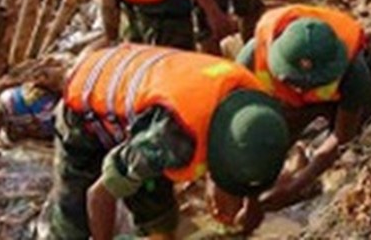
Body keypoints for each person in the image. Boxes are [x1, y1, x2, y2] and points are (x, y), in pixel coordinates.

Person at [49, 43, 290, 239]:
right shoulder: (172, 136)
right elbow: (99, 195)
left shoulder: (252, 109)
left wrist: (252, 203)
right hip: (85, 105)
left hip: (145, 100)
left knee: (158, 216)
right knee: (73, 223)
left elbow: (252, 155)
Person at [236, 5, 371, 210]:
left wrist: (296, 185)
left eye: (311, 83)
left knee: (363, 142)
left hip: (334, 100)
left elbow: (343, 136)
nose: (302, 87)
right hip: (285, 102)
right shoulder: (252, 56)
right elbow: (236, 126)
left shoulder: (354, 70)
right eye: (294, 80)